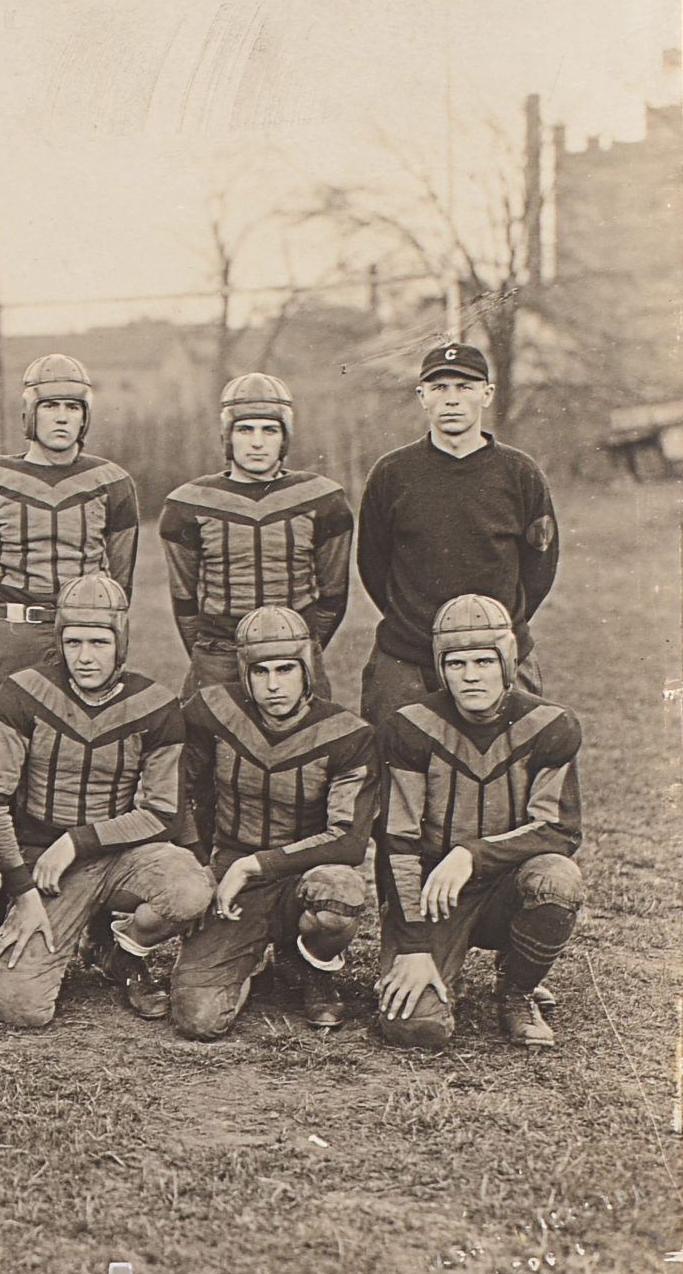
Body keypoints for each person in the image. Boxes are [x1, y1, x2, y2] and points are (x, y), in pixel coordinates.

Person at [0, 574, 211, 1027]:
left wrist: (78, 840)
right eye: (73, 641)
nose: (85, 657)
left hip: (114, 853)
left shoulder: (155, 704)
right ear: (58, 641)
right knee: (24, 1010)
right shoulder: (22, 693)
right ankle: (31, 929)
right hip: (41, 865)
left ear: (121, 642)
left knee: (190, 889)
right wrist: (22, 891)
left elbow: (164, 811)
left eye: (99, 642)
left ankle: (119, 949)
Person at [374, 595, 585, 1050]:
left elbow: (559, 830)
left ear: (507, 662)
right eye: (456, 663)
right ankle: (434, 964)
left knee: (557, 880)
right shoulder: (411, 726)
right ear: (440, 667)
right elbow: (397, 840)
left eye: (484, 661)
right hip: (433, 894)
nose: (470, 676)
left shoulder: (550, 725)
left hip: (503, 884)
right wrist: (412, 946)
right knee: (416, 1029)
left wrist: (472, 853)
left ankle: (515, 991)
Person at [171, 607, 375, 1039]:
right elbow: (181, 796)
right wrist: (196, 871)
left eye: (286, 669)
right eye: (260, 671)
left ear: (309, 669)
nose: (273, 684)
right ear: (244, 672)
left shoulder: (347, 733)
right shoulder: (212, 710)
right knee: (199, 1018)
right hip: (230, 877)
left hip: (302, 873)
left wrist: (253, 865)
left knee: (339, 891)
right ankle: (250, 955)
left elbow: (349, 841)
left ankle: (311, 964)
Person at [355, 341, 561, 725]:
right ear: (422, 397)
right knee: (395, 766)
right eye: (439, 388)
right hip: (409, 654)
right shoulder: (391, 474)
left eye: (464, 387)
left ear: (487, 393)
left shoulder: (520, 473)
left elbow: (539, 567)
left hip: (498, 652)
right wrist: (417, 624)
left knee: (513, 769)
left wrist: (495, 626)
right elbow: (373, 563)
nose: (452, 399)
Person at [158, 372, 353, 699]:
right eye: (245, 429)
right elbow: (184, 600)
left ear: (285, 437)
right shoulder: (188, 504)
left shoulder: (322, 499)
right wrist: (213, 650)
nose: (258, 442)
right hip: (219, 653)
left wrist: (299, 644)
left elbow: (334, 594)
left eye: (270, 430)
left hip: (295, 653)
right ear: (227, 436)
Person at [0, 353, 143, 684]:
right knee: (2, 733)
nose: (62, 418)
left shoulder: (112, 482)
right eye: (50, 406)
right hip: (14, 636)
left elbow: (120, 584)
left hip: (85, 633)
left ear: (86, 416)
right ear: (29, 413)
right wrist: (2, 636)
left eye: (73, 407)